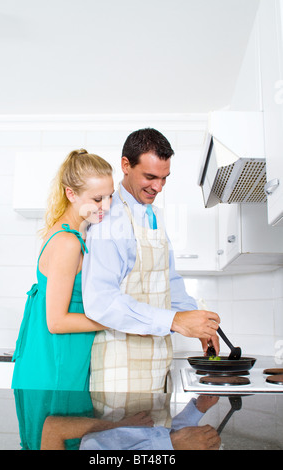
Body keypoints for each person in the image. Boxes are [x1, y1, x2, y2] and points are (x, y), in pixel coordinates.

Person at [82, 128, 220, 393]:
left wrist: (198, 321)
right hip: (119, 368)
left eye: (164, 178)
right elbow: (100, 301)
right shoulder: (107, 219)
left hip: (156, 362)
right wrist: (175, 321)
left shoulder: (152, 215)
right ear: (125, 165)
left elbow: (169, 280)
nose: (158, 187)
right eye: (150, 177)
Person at [12, 149, 114, 391]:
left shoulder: (71, 232)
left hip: (59, 361)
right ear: (71, 194)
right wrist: (117, 321)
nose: (106, 206)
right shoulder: (68, 242)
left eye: (110, 197)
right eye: (98, 199)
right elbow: (56, 322)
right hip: (54, 367)